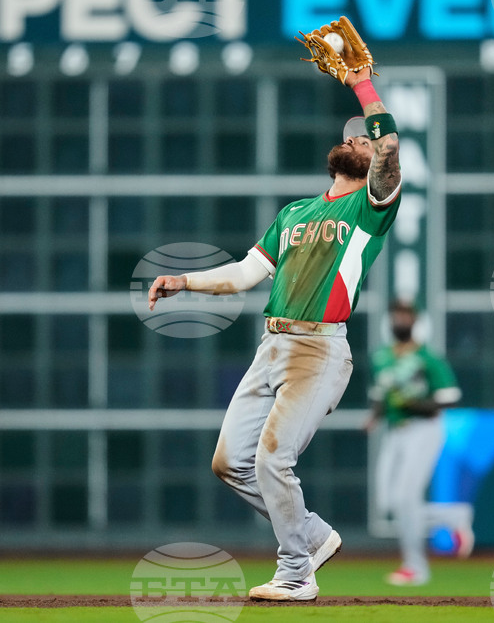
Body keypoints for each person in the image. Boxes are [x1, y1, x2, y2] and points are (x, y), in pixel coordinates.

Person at [147, 61, 402, 601]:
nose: (356, 140)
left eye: (363, 139)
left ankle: (295, 572)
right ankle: (311, 534)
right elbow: (244, 274)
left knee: (272, 457)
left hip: (319, 347)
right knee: (230, 462)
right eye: (352, 136)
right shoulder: (295, 212)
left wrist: (361, 84)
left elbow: (388, 148)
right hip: (272, 346)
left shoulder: (370, 208)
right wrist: (184, 281)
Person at [365, 299, 475, 586]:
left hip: (424, 429)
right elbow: (380, 394)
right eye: (396, 315)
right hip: (396, 431)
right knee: (388, 501)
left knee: (405, 499)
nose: (400, 320)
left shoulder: (428, 358)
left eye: (405, 315)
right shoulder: (383, 357)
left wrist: (417, 404)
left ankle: (415, 566)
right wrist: (374, 417)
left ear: (416, 321)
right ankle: (453, 517)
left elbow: (450, 397)